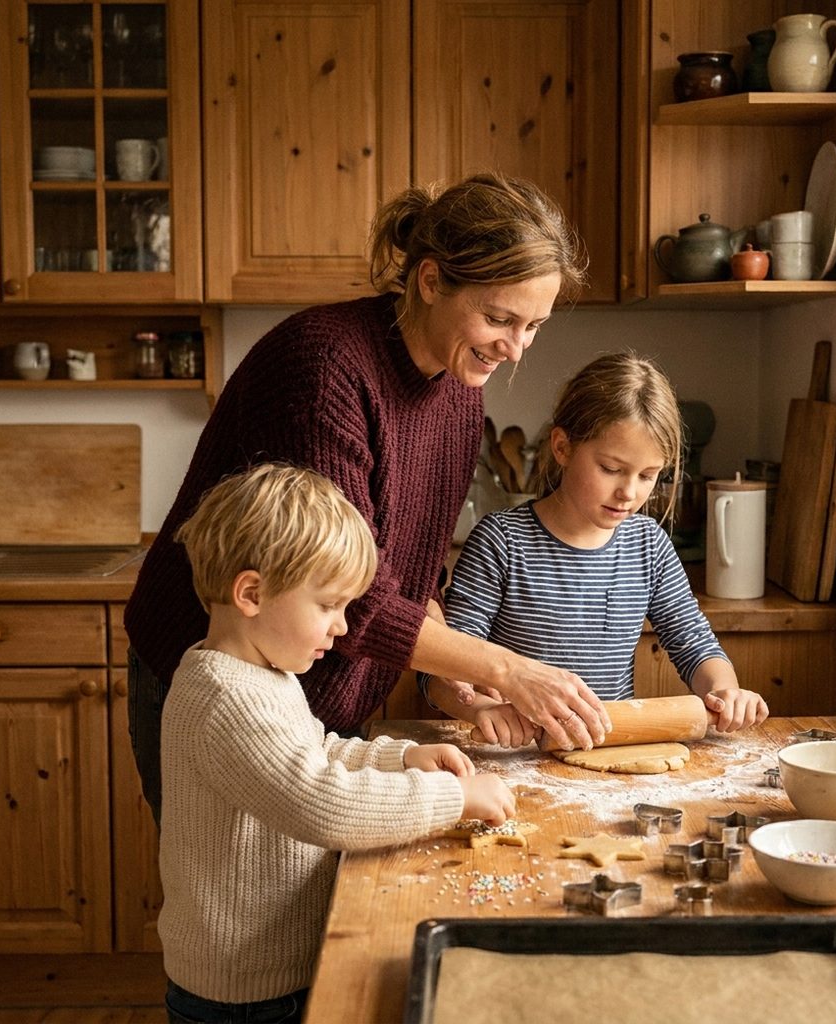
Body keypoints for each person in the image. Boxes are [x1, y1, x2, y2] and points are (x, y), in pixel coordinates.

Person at [125, 172, 612, 825]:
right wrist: (507, 669)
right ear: (432, 281)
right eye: (499, 318)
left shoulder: (461, 389)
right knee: (234, 893)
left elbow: (409, 574)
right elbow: (352, 594)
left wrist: (459, 686)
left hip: (316, 687)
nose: (516, 347)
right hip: (221, 679)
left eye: (534, 326)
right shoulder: (323, 368)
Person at [159, 463, 514, 1023]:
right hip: (244, 996)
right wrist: (455, 801)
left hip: (279, 971)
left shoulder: (259, 671)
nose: (343, 628)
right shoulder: (224, 698)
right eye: (328, 606)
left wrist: (403, 758)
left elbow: (315, 752)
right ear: (251, 593)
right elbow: (321, 801)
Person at [422, 351, 770, 747]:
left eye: (648, 476)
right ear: (562, 447)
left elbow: (693, 643)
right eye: (611, 468)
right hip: (517, 755)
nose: (629, 492)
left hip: (610, 752)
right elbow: (443, 673)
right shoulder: (502, 541)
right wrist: (481, 708)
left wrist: (726, 692)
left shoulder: (648, 546)